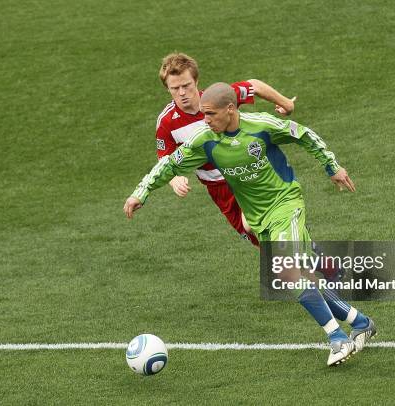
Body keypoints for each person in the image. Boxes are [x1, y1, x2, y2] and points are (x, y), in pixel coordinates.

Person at [125, 82, 376, 366]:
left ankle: (337, 338)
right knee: (300, 275)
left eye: (210, 114)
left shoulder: (261, 126)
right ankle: (361, 322)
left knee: (288, 271)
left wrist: (332, 167)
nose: (205, 120)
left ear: (230, 110)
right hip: (257, 219)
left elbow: (303, 134)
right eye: (203, 115)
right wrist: (140, 192)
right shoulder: (206, 139)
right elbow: (169, 164)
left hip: (285, 205)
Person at [155, 53, 295, 246]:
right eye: (175, 88)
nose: (182, 93)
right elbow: (164, 157)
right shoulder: (167, 123)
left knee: (264, 229)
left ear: (196, 81)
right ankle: (327, 268)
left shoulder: (219, 99)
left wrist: (286, 103)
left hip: (247, 174)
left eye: (186, 85)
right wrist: (174, 179)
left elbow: (254, 85)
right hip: (219, 189)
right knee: (262, 242)